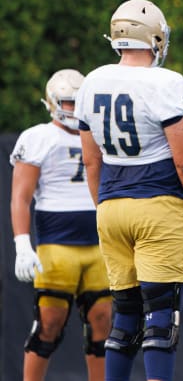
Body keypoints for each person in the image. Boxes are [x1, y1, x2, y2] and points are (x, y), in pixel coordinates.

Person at [74, 0, 183, 381]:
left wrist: (103, 206)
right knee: (161, 317)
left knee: (125, 315)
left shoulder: (91, 81)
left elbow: (92, 162)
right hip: (158, 205)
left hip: (110, 205)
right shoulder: (166, 82)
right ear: (154, 36)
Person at [10, 69, 112, 381]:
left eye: (78, 102)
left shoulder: (101, 134)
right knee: (49, 325)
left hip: (99, 245)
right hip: (57, 245)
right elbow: (21, 197)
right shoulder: (38, 137)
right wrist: (22, 244)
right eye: (68, 103)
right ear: (53, 103)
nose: (74, 109)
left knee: (103, 324)